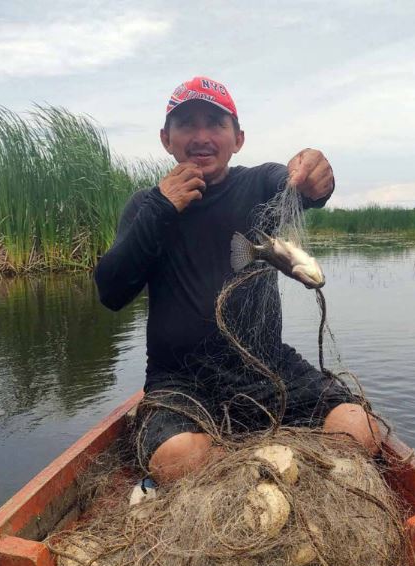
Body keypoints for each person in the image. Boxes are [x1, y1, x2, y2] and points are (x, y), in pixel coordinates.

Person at [95, 76, 380, 485]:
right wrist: (161, 208)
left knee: (360, 429)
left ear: (238, 138)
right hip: (180, 382)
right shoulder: (146, 205)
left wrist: (317, 177)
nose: (202, 136)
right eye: (187, 124)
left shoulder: (258, 184)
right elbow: (111, 292)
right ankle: (250, 463)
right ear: (166, 138)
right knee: (178, 460)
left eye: (216, 123)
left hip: (269, 369)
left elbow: (300, 187)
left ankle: (242, 462)